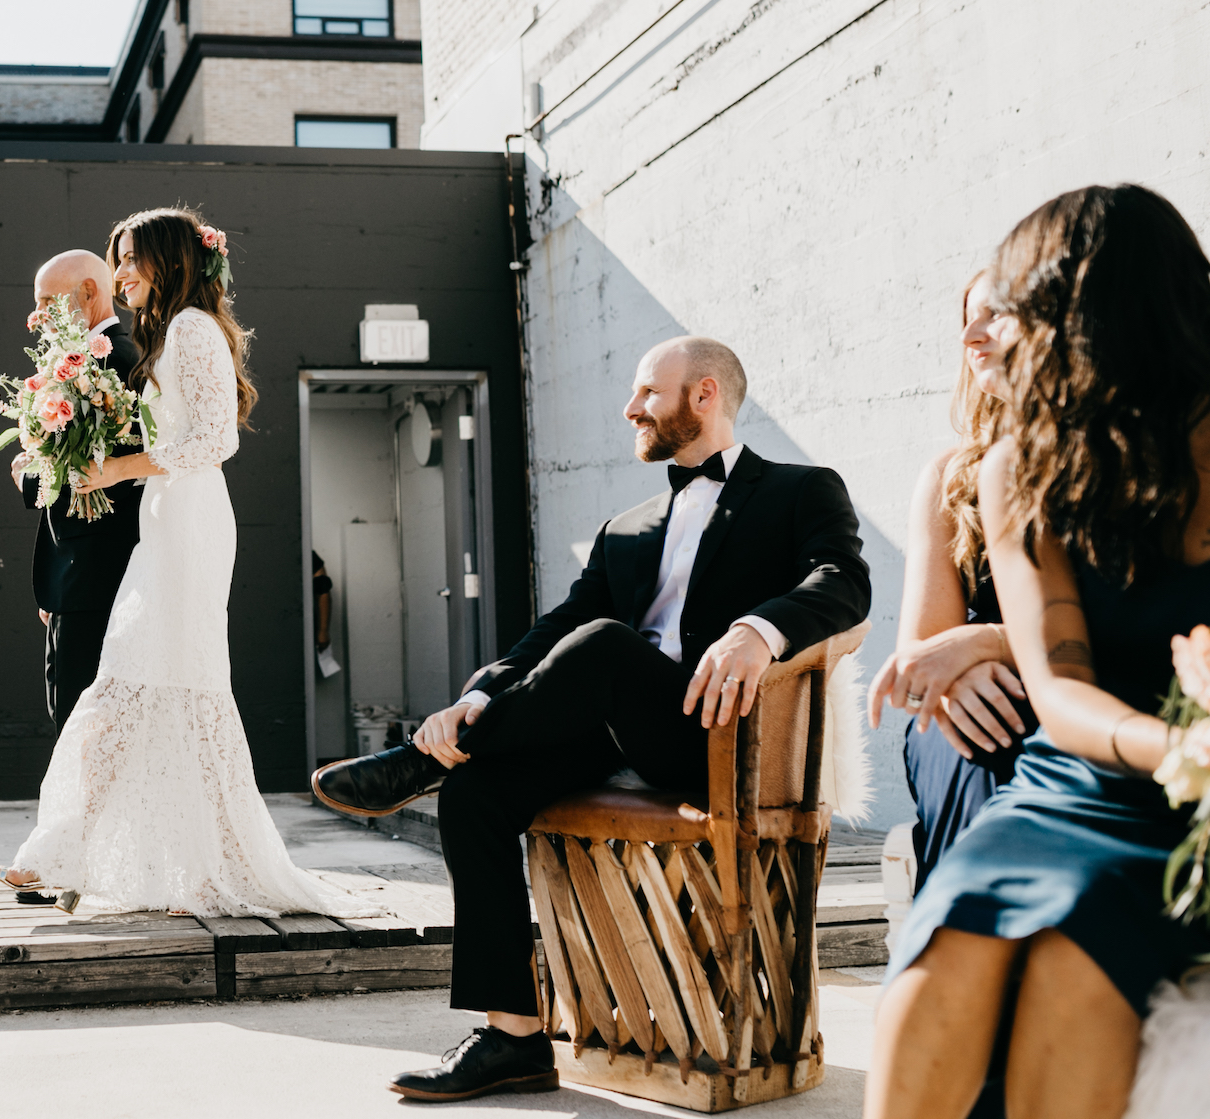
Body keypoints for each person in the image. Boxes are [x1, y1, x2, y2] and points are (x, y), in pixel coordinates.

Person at [314, 335, 871, 1103]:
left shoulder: (802, 489)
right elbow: (557, 630)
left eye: (648, 391)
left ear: (704, 395)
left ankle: (420, 762)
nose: (630, 407)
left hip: (714, 739)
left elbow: (843, 581)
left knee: (607, 647)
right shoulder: (626, 525)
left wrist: (757, 630)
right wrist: (479, 693)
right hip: (606, 735)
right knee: (476, 795)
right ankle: (512, 1038)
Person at [870, 185, 1210, 1119]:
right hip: (1088, 767)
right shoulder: (1014, 468)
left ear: (1084, 313)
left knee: (1076, 959)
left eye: (1013, 310)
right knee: (944, 957)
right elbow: (1061, 689)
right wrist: (1181, 751)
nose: (993, 336)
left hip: (1182, 809)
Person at [0, 208, 374, 920]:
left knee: (141, 691)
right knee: (147, 693)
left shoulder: (192, 329)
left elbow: (216, 442)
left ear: (170, 260)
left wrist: (109, 471)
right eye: (117, 260)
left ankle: (58, 855)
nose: (121, 273)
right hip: (165, 523)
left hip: (190, 521)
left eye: (130, 259)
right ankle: (129, 860)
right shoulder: (170, 331)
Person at [866, 275, 1037, 885]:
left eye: (995, 314)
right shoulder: (951, 476)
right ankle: (968, 959)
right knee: (978, 746)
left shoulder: (1119, 459)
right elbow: (921, 653)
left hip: (1078, 679)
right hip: (967, 700)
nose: (970, 334)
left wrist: (983, 640)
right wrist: (960, 667)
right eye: (968, 317)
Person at [11, 250, 144, 732]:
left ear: (89, 293)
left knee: (82, 726)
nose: (37, 316)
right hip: (74, 579)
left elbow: (114, 479)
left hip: (96, 579)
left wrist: (28, 475)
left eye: (48, 302)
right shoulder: (84, 362)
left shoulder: (117, 363)